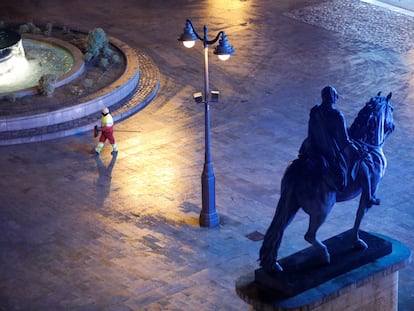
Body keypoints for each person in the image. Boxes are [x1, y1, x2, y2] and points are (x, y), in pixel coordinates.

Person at [299, 86, 379, 206]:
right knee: (363, 165)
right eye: (336, 96)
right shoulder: (337, 115)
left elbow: (311, 131)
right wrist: (357, 149)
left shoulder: (314, 111)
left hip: (313, 146)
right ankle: (369, 197)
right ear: (333, 98)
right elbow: (344, 140)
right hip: (331, 149)